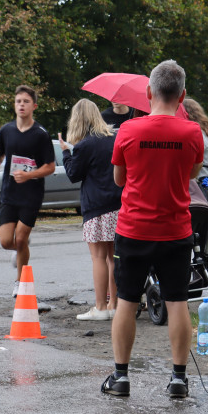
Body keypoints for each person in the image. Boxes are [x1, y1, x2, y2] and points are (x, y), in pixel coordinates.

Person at [101, 60, 204, 399]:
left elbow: (119, 179)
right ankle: (178, 380)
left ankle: (121, 377)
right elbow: (192, 174)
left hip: (133, 229)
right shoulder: (192, 132)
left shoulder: (128, 131)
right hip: (176, 230)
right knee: (177, 303)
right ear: (182, 95)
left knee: (128, 302)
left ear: (148, 94)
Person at [59, 99, 121, 321]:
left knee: (98, 257)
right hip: (119, 205)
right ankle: (114, 305)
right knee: (113, 257)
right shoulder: (115, 138)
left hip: (96, 207)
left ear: (78, 119)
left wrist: (66, 152)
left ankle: (100, 308)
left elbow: (74, 174)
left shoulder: (85, 145)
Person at [0, 85, 56, 291]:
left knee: (21, 239)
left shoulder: (40, 134)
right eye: (18, 101)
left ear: (33, 106)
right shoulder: (6, 130)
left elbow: (50, 166)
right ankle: (20, 249)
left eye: (26, 102)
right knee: (6, 241)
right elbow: (0, 152)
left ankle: (20, 283)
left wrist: (29, 175)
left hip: (31, 195)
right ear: (14, 105)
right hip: (9, 192)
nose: (21, 105)